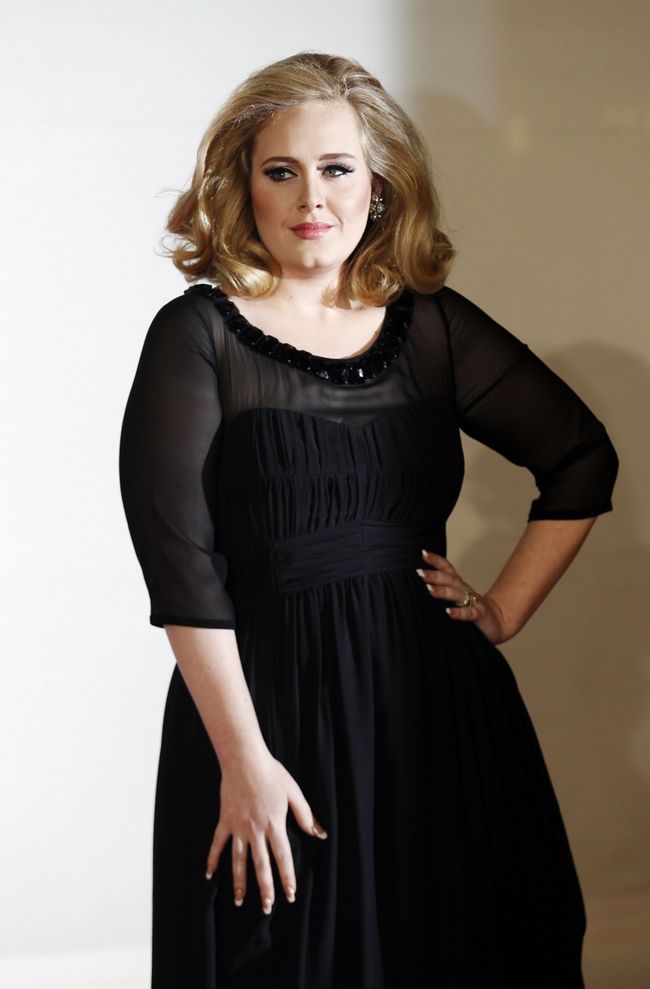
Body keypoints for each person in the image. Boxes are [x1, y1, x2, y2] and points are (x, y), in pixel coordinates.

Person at [118, 51, 618, 989]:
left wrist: (503, 608)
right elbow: (180, 566)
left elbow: (582, 457)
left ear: (379, 185)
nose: (312, 197)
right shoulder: (198, 336)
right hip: (270, 717)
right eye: (282, 171)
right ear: (244, 187)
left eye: (337, 168)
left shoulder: (433, 327)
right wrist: (244, 760)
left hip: (439, 716)